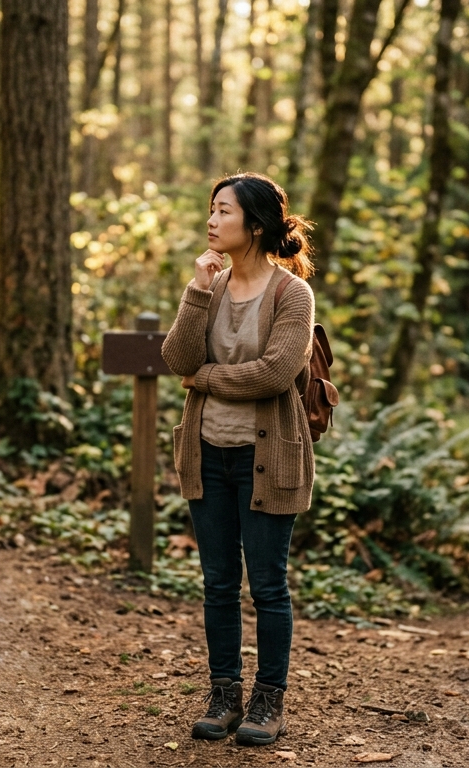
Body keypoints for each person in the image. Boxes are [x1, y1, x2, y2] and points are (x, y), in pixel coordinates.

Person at [160, 172, 317, 747]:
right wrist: (197, 291)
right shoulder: (212, 285)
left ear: (254, 224)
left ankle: (268, 700)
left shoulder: (291, 294)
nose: (211, 220)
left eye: (223, 211)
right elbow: (175, 355)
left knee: (268, 585)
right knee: (219, 583)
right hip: (207, 455)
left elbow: (275, 374)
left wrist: (204, 377)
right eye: (210, 209)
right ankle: (224, 694)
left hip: (269, 458)